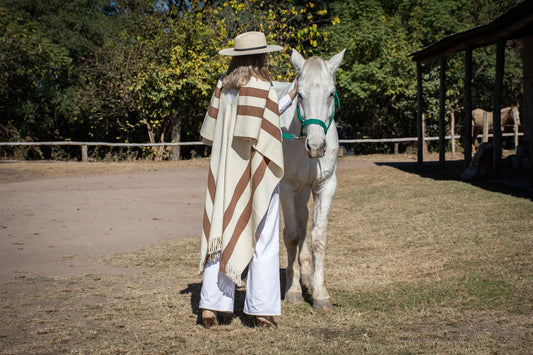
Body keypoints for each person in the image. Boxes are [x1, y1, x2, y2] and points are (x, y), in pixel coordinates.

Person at [198, 31, 297, 328]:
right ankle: (261, 310)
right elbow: (270, 121)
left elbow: (211, 134)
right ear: (261, 56)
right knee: (263, 237)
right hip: (256, 172)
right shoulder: (264, 87)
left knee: (221, 229)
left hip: (227, 173)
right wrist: (290, 96)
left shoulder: (222, 88)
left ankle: (211, 306)